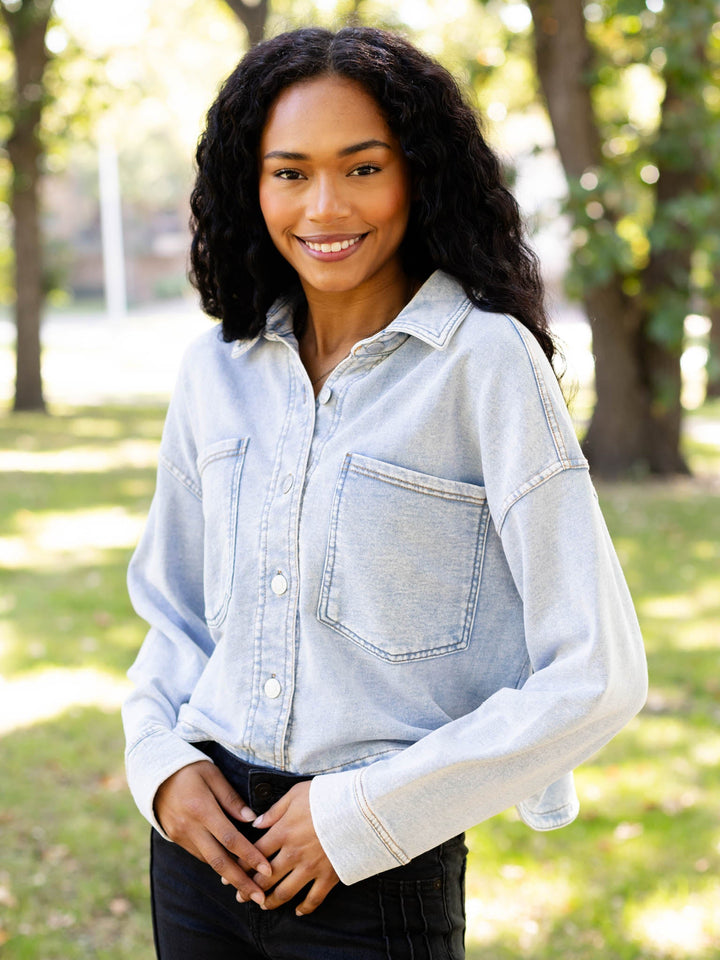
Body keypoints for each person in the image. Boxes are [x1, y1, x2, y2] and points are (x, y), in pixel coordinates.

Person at [122, 25, 648, 960]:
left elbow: (597, 672)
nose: (324, 205)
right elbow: (176, 621)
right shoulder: (217, 370)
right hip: (198, 860)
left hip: (371, 874)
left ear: (419, 174)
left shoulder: (486, 364)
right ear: (252, 186)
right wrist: (160, 768)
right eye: (290, 172)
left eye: (362, 167)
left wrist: (364, 816)